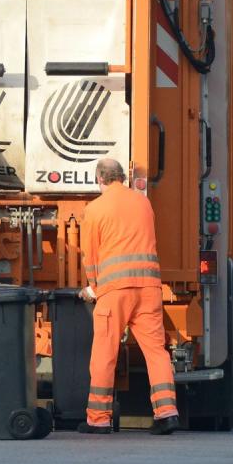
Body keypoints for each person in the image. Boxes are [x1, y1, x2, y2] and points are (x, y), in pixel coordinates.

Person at [77, 158, 179, 435]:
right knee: (156, 352)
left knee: (105, 353)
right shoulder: (143, 203)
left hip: (115, 291)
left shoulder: (94, 210)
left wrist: (92, 288)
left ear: (99, 178)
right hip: (148, 288)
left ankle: (98, 419)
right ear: (121, 177)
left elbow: (91, 256)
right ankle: (167, 413)